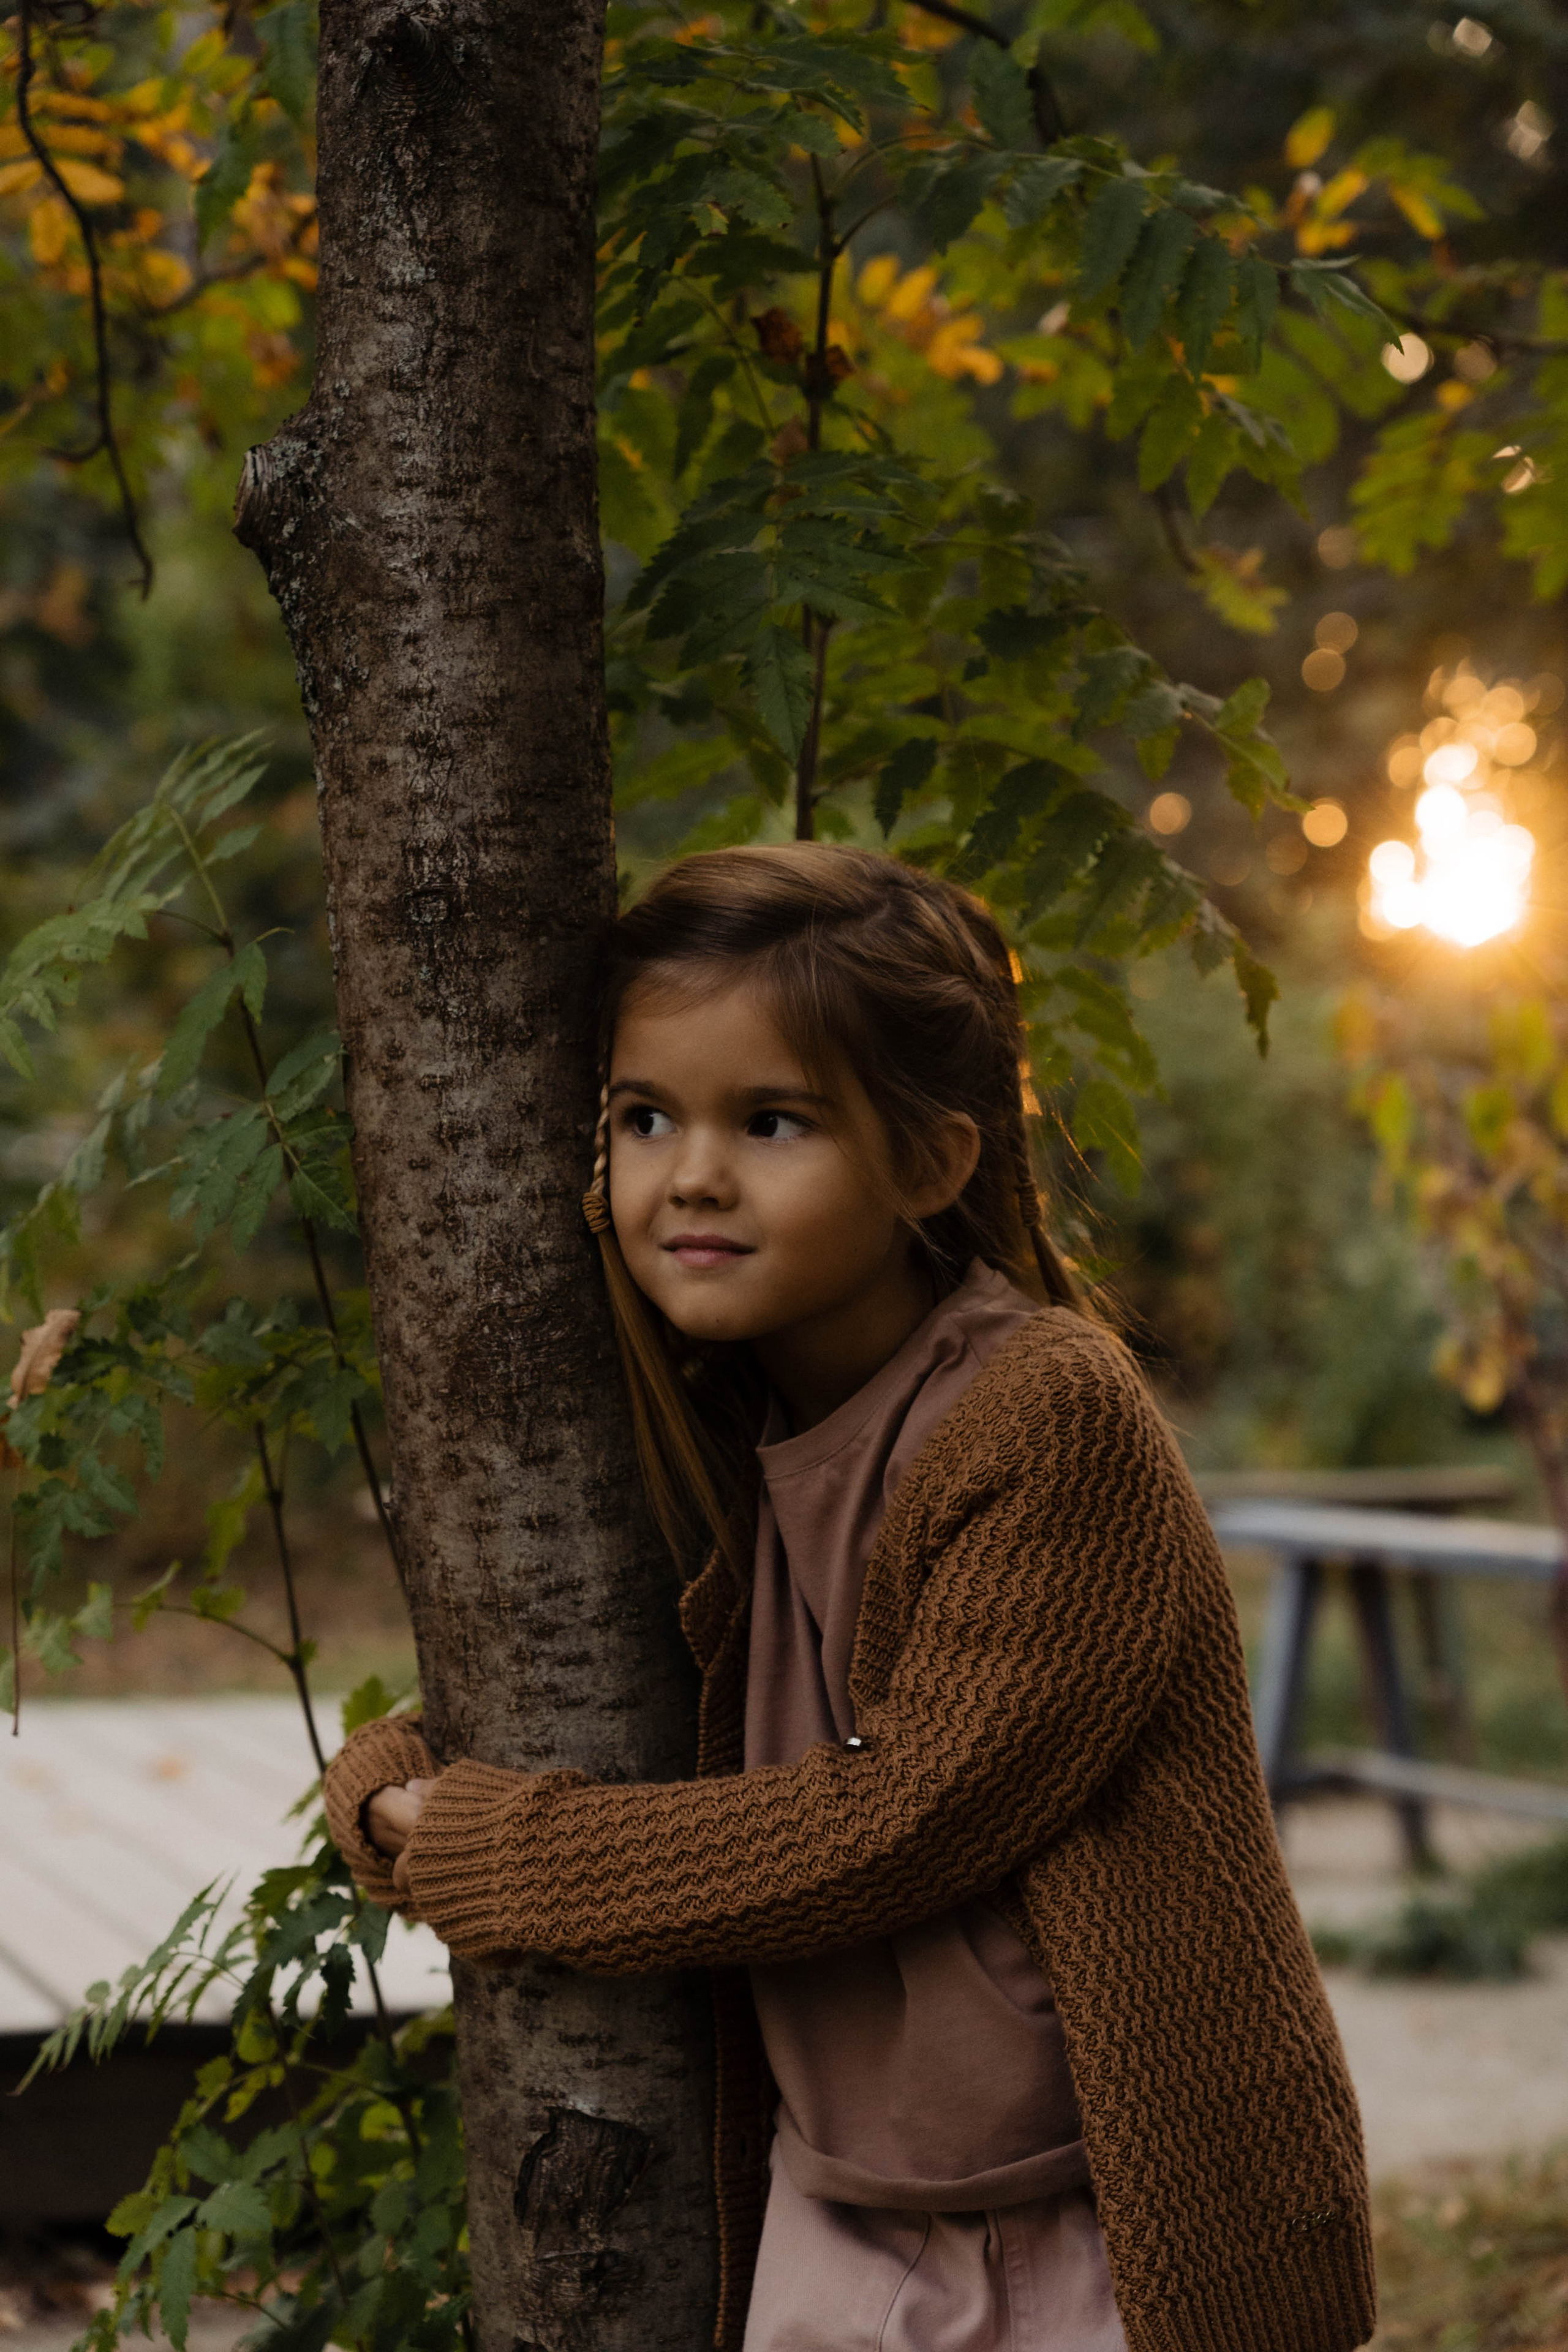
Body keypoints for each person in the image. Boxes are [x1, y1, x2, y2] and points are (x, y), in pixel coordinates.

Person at [324, 844, 1375, 2352]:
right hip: (835, 2205)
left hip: (1101, 2220)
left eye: (770, 1120)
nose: (691, 1173)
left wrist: (507, 1851)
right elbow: (653, 1676)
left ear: (930, 1163)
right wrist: (388, 1783)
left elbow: (908, 1810)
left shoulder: (1040, 1413)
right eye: (643, 1117)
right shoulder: (718, 1424)